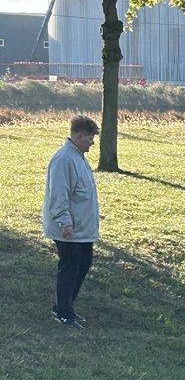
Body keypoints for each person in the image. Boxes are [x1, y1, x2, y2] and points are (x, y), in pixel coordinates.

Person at [42, 115, 101, 329]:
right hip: (69, 228)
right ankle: (64, 313)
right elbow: (58, 195)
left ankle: (63, 306)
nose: (92, 142)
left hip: (81, 228)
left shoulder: (78, 157)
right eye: (89, 138)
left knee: (83, 263)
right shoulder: (64, 159)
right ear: (78, 136)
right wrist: (64, 222)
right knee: (69, 268)